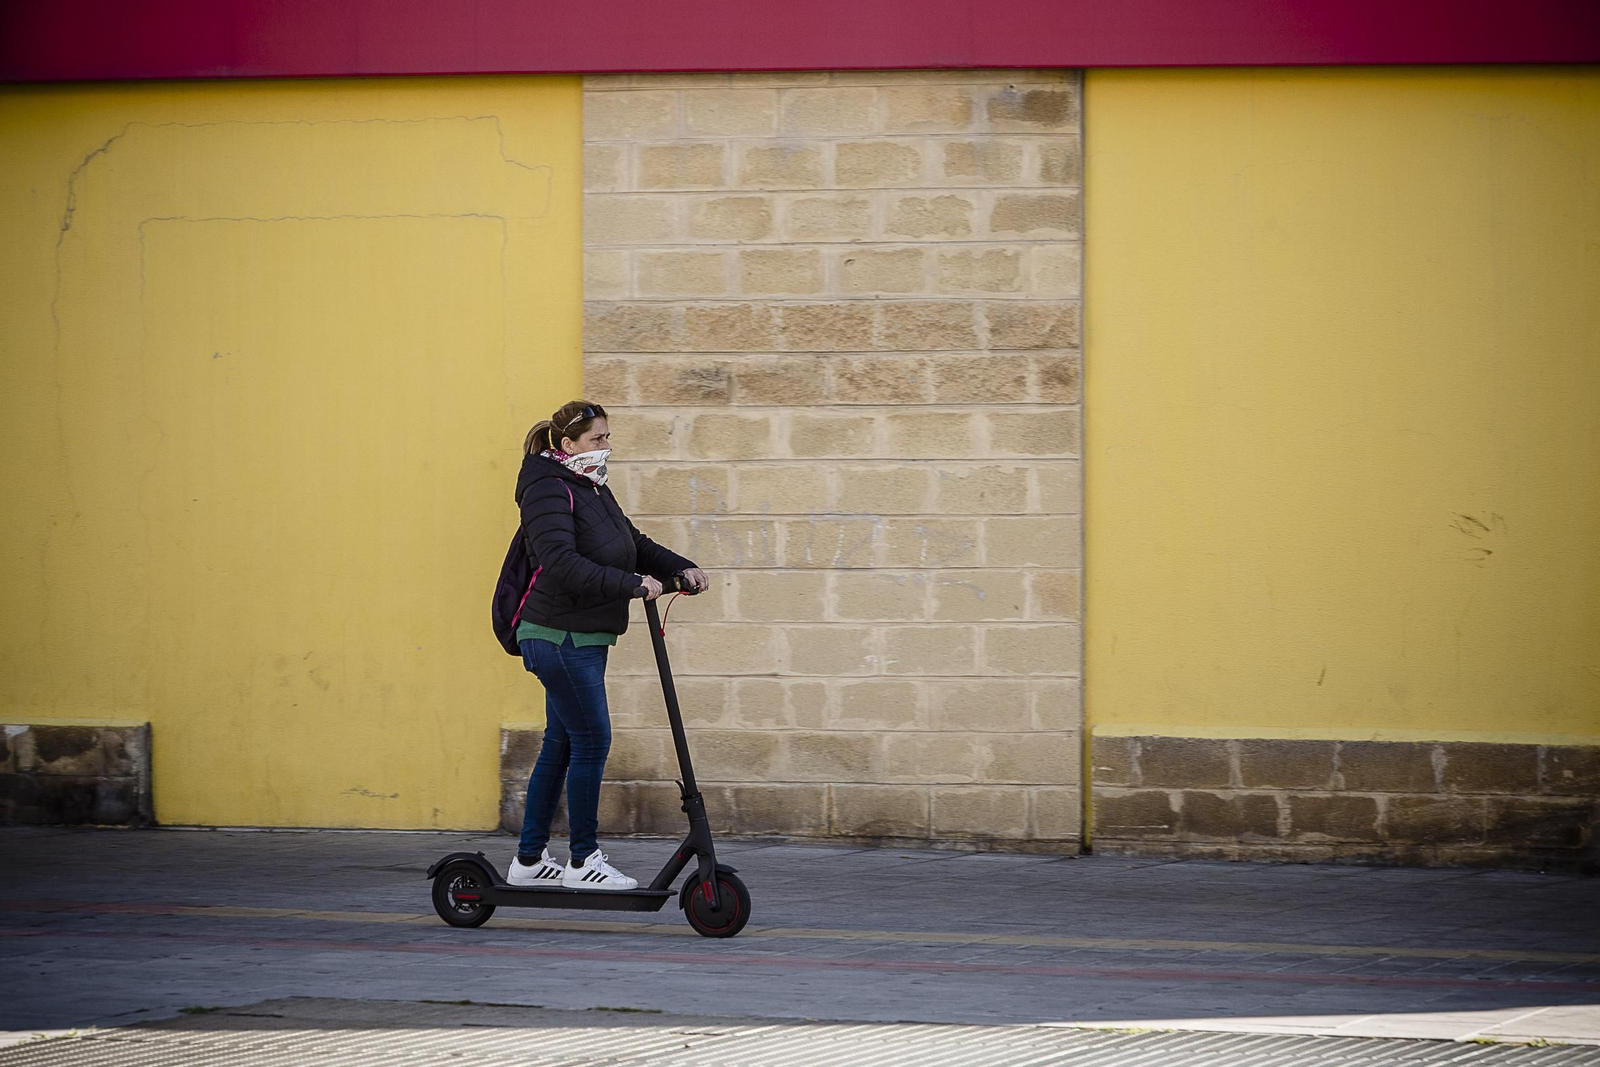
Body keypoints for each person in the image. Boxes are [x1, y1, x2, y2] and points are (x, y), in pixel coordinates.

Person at [507, 400, 708, 890]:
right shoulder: (546, 489)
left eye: (607, 438)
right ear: (568, 444)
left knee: (561, 743)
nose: (606, 447)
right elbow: (559, 562)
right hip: (556, 634)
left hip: (583, 636)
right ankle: (582, 862)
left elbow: (633, 544)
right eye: (597, 439)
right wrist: (631, 585)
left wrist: (679, 567)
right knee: (593, 739)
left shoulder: (592, 488)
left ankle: (529, 862)